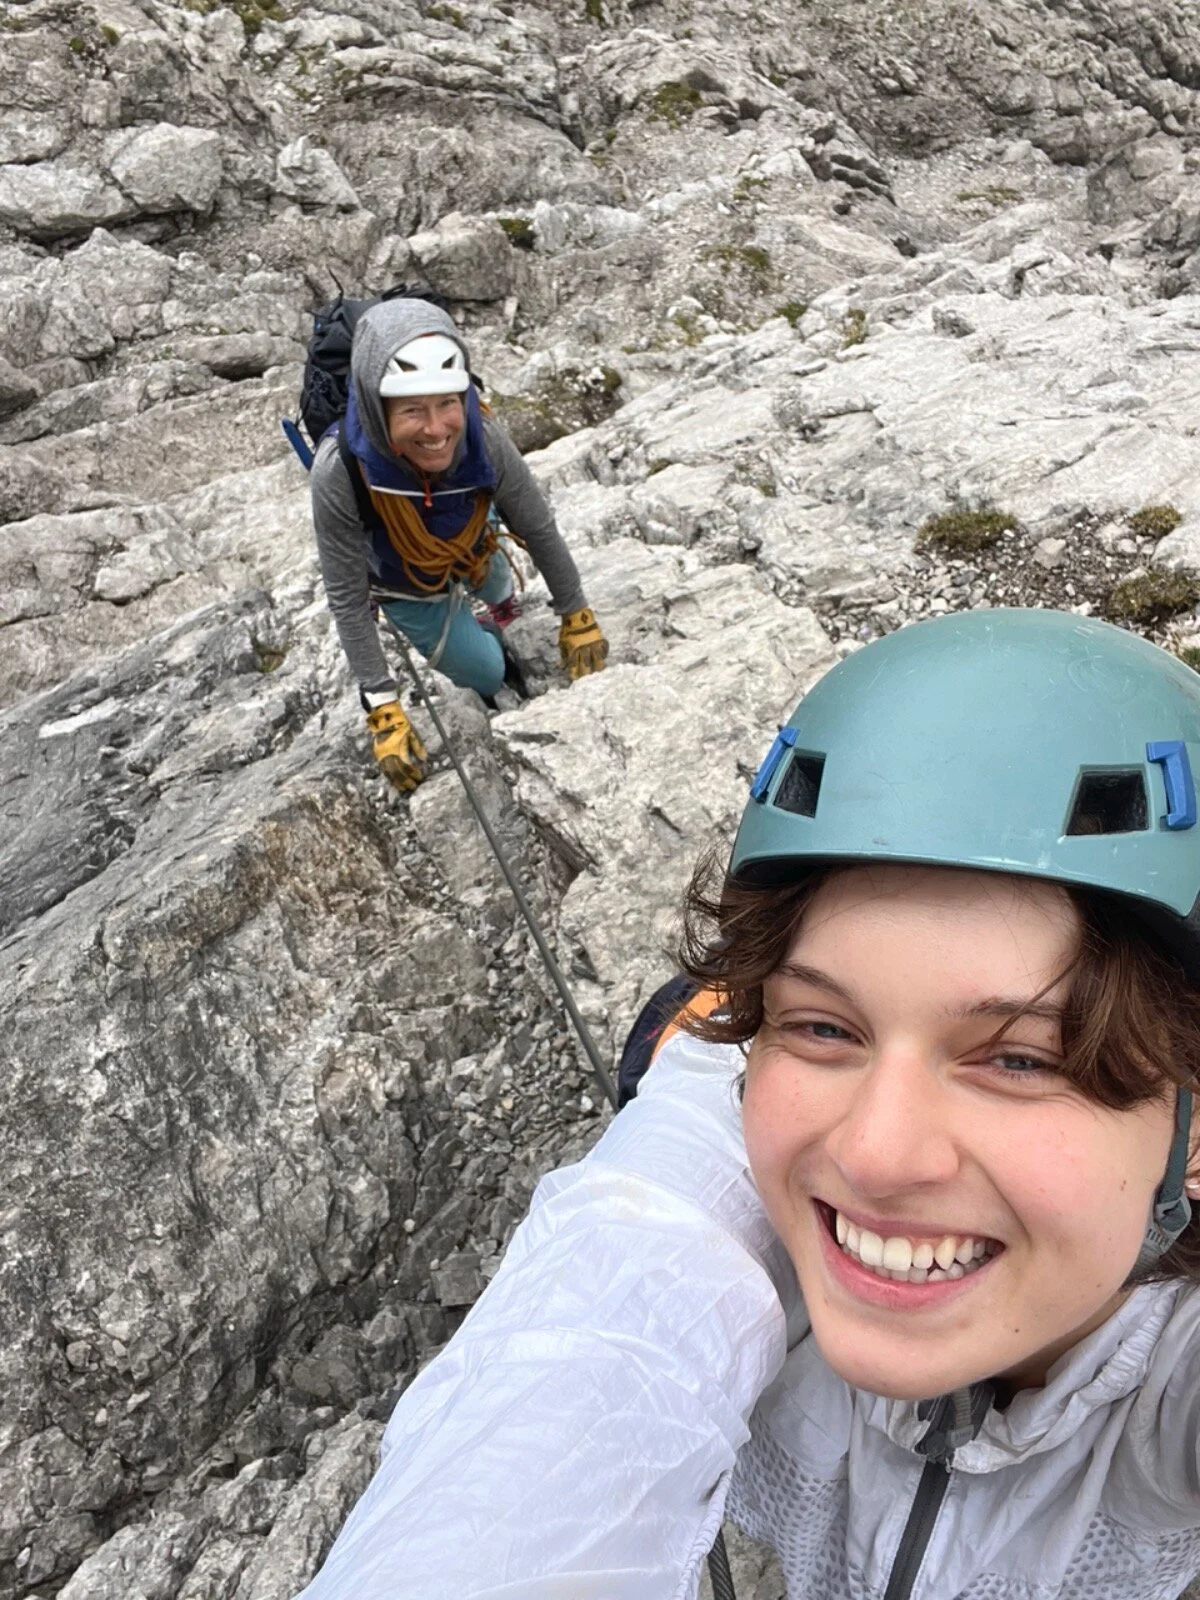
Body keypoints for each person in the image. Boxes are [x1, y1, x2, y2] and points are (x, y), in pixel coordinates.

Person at [296, 607, 1200, 1600]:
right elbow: (590, 1342)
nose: (874, 1153)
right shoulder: (730, 1145)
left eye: (1024, 1060)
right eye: (822, 1026)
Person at [310, 297, 608, 791]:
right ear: (375, 407)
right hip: (402, 575)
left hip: (468, 531)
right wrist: (383, 704)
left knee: (491, 575)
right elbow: (346, 595)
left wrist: (576, 612)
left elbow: (536, 525)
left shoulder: (482, 438)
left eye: (448, 403)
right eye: (412, 410)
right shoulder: (339, 470)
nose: (436, 429)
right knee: (488, 675)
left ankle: (499, 603)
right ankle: (487, 637)